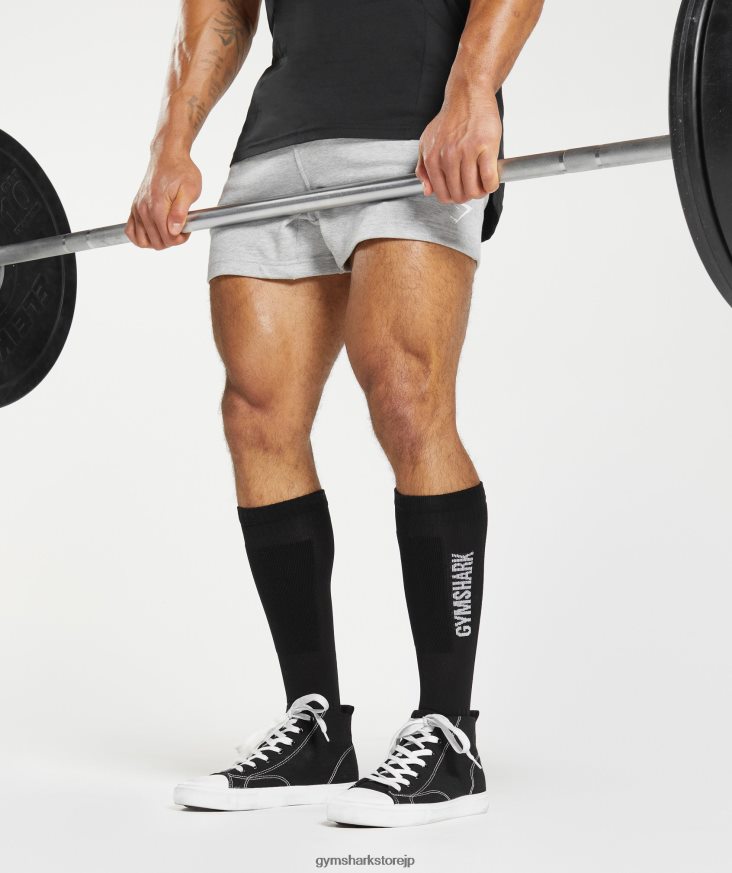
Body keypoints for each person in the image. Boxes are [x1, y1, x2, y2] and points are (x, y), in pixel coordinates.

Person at [126, 0, 543, 827]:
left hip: (413, 130)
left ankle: (449, 734)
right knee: (256, 415)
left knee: (406, 396)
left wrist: (473, 90)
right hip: (276, 144)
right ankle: (316, 728)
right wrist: (172, 142)